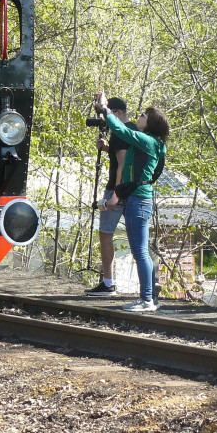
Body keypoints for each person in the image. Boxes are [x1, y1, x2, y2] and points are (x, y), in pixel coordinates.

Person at [93, 91, 169, 313]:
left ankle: (146, 300)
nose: (140, 117)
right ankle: (151, 297)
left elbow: (121, 130)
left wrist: (106, 110)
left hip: (138, 200)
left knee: (140, 251)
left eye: (144, 115)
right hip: (138, 198)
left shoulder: (146, 140)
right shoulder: (151, 143)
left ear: (151, 122)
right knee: (141, 250)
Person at [87, 97, 137, 297]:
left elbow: (122, 162)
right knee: (137, 240)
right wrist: (107, 148)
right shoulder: (134, 130)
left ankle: (108, 283)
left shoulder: (118, 132)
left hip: (117, 189)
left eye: (107, 115)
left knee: (105, 233)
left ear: (116, 113)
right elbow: (126, 155)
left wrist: (115, 194)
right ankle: (149, 288)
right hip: (135, 191)